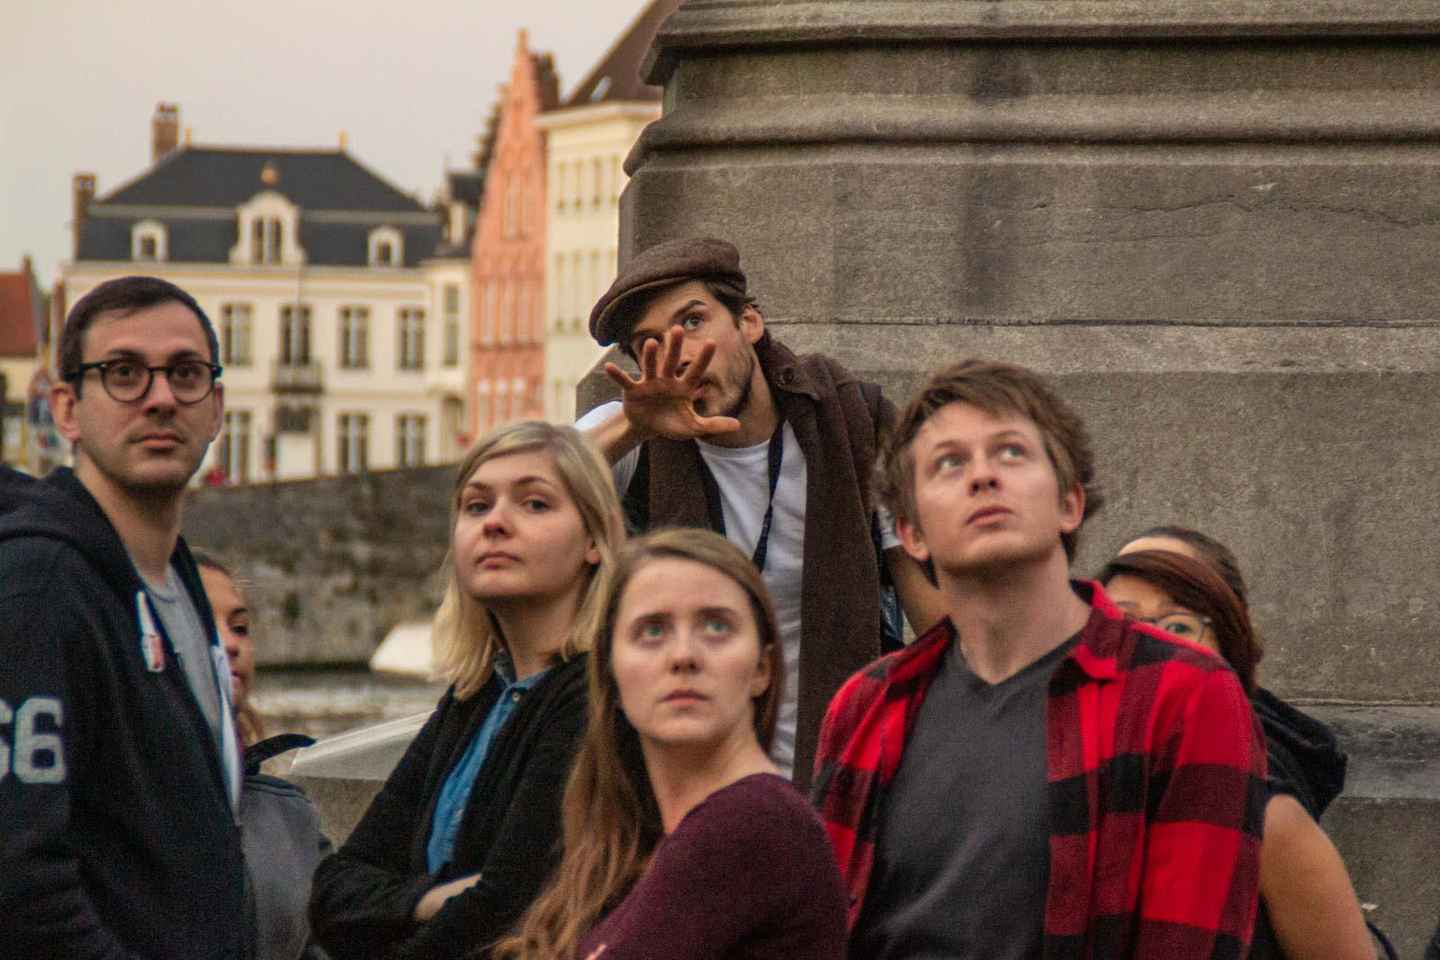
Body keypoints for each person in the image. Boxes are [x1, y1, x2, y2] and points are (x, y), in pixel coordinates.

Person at [812, 359, 1267, 959]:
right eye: (949, 463)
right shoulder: (867, 706)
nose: (983, 476)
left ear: (1069, 503)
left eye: (1012, 453)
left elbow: (1187, 945)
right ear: (911, 533)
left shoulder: (1184, 693)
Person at [578, 237, 943, 785]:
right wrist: (635, 427)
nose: (680, 353)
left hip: (838, 771)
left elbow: (934, 614)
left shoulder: (849, 423)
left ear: (748, 322)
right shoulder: (632, 438)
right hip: (685, 781)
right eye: (650, 342)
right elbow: (520, 480)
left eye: (693, 322)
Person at [309, 421, 626, 960]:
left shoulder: (593, 694)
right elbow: (332, 891)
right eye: (476, 506)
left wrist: (404, 904)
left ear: (594, 541)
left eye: (535, 504)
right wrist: (430, 900)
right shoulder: (473, 698)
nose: (495, 523)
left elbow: (504, 907)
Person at [0, 275, 247, 959]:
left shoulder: (172, 579)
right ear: (67, 409)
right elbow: (19, 881)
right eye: (124, 373)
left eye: (185, 374)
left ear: (216, 408)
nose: (160, 398)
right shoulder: (40, 588)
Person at [498, 529, 847, 960]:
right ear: (611, 674)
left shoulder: (756, 821)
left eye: (716, 626)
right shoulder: (638, 846)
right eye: (653, 630)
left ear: (762, 668)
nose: (683, 655)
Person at [1102, 532, 1375, 960]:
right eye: (1126, 625)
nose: (1151, 647)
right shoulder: (1064, 774)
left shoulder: (1267, 812)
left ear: (1231, 639)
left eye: (1179, 626)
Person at [196, 551, 332, 960]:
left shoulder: (290, 815)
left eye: (239, 628)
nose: (231, 644)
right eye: (201, 623)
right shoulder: (113, 810)